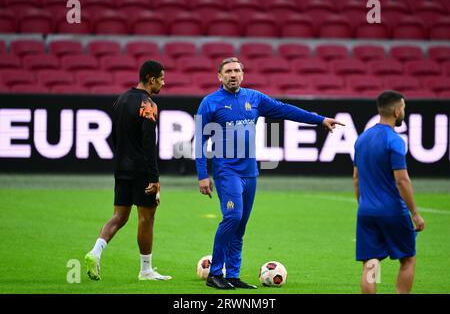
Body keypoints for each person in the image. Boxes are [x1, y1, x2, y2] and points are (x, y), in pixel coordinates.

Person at [195, 57, 344, 289]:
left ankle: (233, 275)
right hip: (227, 172)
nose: (233, 75)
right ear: (219, 76)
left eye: (237, 71)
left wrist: (319, 120)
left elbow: (285, 110)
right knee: (232, 218)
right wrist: (203, 174)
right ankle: (215, 274)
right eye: (228, 71)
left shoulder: (254, 98)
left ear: (242, 74)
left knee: (241, 226)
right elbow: (199, 142)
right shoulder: (210, 103)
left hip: (250, 172)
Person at [84, 60, 171, 281]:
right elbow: (148, 143)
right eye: (161, 78)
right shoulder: (148, 105)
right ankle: (146, 270)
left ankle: (95, 252)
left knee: (119, 217)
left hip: (121, 168)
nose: (163, 82)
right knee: (146, 218)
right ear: (151, 79)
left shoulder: (120, 100)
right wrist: (154, 178)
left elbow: (113, 137)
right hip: (141, 171)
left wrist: (123, 159)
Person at [353, 90, 425, 294]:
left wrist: (363, 204)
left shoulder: (362, 139)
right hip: (393, 211)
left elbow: (356, 178)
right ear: (396, 110)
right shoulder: (394, 141)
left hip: (366, 211)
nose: (404, 111)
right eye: (403, 107)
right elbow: (401, 180)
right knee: (407, 259)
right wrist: (415, 213)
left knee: (371, 263)